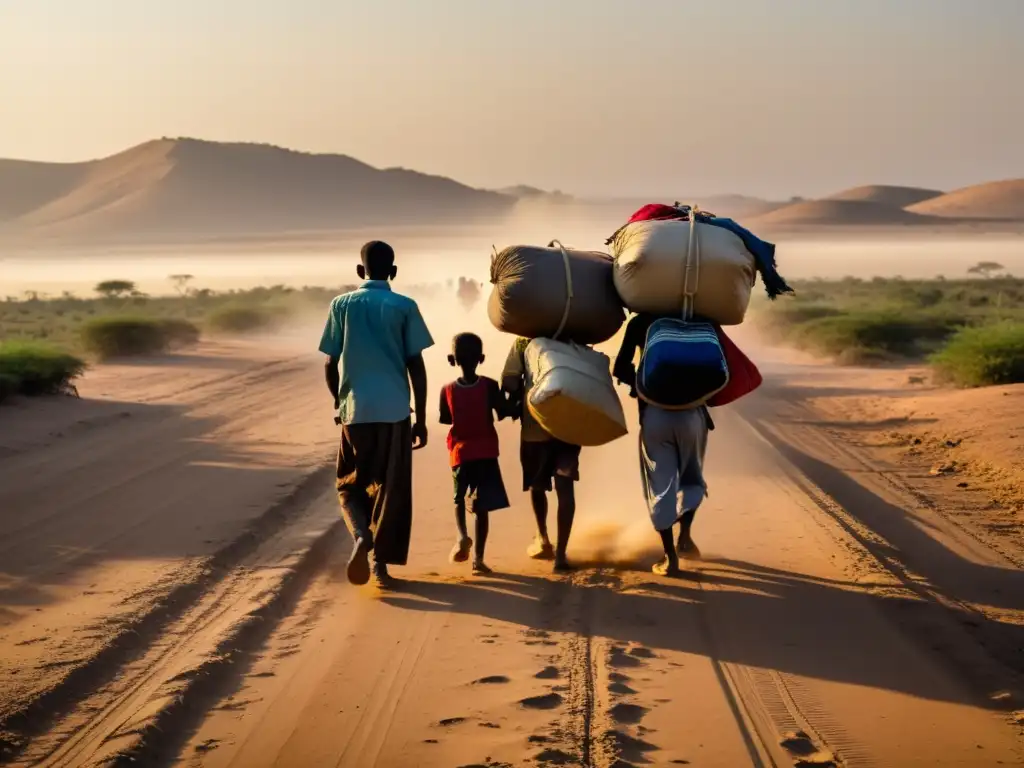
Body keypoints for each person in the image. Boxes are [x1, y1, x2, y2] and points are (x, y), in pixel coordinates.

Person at [319, 240, 434, 588]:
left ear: (359, 271)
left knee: (349, 484)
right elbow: (416, 364)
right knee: (391, 487)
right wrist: (422, 418)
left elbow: (330, 362)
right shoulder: (404, 306)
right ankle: (381, 567)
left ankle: (359, 535)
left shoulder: (341, 305)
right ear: (394, 272)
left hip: (356, 411)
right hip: (396, 410)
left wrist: (339, 404)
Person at [613, 311, 713, 577]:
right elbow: (721, 366)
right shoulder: (700, 316)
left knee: (660, 483)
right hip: (693, 414)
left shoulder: (641, 322)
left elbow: (620, 367)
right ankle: (686, 537)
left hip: (654, 413)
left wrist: (639, 385)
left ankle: (669, 557)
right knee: (691, 477)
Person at [502, 336, 581, 573]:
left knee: (537, 486)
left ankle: (543, 538)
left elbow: (510, 382)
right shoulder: (576, 335)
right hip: (568, 428)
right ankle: (561, 554)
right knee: (565, 489)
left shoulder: (523, 342)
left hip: (535, 428)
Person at [439, 333, 512, 575]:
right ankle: (478, 560)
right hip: (487, 451)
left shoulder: (447, 390)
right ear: (481, 358)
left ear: (452, 360)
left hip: (460, 454)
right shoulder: (490, 386)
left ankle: (462, 536)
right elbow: (503, 412)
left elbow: (446, 419)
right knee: (482, 507)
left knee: (459, 499)